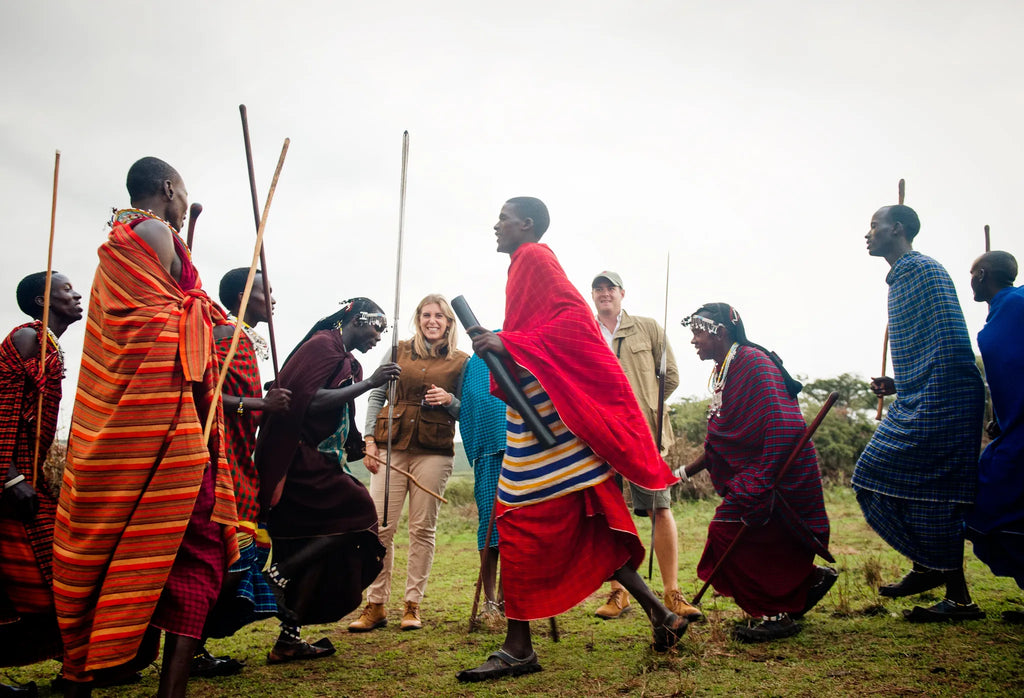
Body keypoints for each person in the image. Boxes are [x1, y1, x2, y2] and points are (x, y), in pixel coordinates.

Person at [456, 197, 687, 683]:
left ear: (528, 224)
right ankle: (660, 616)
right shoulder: (521, 266)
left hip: (554, 425)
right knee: (592, 526)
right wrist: (509, 347)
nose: (496, 225)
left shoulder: (535, 258)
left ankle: (518, 648)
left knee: (514, 520)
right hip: (539, 416)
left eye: (504, 218)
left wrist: (510, 343)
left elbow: (571, 326)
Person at [52, 157, 239, 698]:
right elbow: (169, 320)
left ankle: (84, 673)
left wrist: (194, 308)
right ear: (167, 189)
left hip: (127, 422)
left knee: (129, 550)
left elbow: (163, 307)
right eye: (184, 196)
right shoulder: (154, 230)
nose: (184, 210)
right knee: (199, 551)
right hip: (163, 429)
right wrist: (211, 321)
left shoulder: (124, 238)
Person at [855, 204, 986, 622]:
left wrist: (922, 390)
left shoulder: (923, 271)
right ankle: (939, 575)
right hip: (921, 394)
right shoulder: (899, 279)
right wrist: (901, 384)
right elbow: (928, 345)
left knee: (922, 490)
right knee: (916, 492)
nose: (867, 233)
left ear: (897, 228)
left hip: (944, 398)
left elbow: (950, 345)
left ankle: (948, 585)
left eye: (874, 225)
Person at [682, 303, 834, 642]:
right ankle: (810, 581)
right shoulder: (726, 369)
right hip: (761, 473)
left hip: (780, 471)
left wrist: (763, 479)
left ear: (720, 331)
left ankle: (777, 614)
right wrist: (680, 473)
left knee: (727, 533)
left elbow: (783, 423)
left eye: (698, 332)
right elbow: (721, 442)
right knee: (764, 540)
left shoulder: (753, 363)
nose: (693, 340)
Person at [255, 299, 395, 662]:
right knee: (358, 512)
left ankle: (289, 639)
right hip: (299, 459)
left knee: (310, 549)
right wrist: (370, 383)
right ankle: (278, 573)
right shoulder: (322, 345)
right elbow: (309, 401)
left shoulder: (343, 356)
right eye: (375, 327)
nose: (378, 337)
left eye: (383, 330)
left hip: (319, 459)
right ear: (355, 319)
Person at [190, 268, 292, 677]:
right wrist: (261, 406)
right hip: (221, 461)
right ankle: (192, 645)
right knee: (220, 562)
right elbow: (205, 395)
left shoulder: (239, 336)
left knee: (236, 555)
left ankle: (195, 645)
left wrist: (259, 400)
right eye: (264, 290)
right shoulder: (224, 336)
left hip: (239, 459)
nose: (272, 298)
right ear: (241, 294)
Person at [349, 294, 469, 632]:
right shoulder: (398, 350)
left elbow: (467, 410)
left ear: (448, 322)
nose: (433, 321)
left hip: (434, 452)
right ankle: (375, 605)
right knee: (381, 528)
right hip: (390, 447)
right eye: (427, 314)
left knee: (422, 529)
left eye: (440, 316)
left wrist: (449, 400)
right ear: (419, 318)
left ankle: (412, 605)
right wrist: (369, 441)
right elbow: (376, 394)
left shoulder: (462, 361)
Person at [590, 271, 699, 622]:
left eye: (610, 288)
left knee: (659, 509)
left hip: (642, 438)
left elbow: (671, 377)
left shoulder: (648, 328)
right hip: (599, 439)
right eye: (598, 289)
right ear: (592, 295)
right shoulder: (585, 330)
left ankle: (673, 593)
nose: (604, 293)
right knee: (611, 516)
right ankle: (619, 593)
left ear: (622, 293)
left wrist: (646, 408)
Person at [0, 272, 82, 696]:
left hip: (27, 480)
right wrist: (10, 476)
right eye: (67, 291)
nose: (78, 294)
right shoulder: (28, 340)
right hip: (9, 483)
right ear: (40, 301)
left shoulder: (49, 346)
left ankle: (76, 668)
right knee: (32, 584)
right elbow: (2, 410)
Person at [964, 251, 1024, 621]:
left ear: (982, 273)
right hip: (1013, 429)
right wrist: (1001, 419)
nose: (970, 280)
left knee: (991, 508)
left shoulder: (1016, 305)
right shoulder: (1004, 310)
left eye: (972, 273)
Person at [460, 349, 508, 618]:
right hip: (488, 450)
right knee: (488, 524)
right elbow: (470, 404)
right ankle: (490, 601)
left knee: (515, 523)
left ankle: (506, 598)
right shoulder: (476, 363)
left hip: (523, 450)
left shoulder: (525, 350)